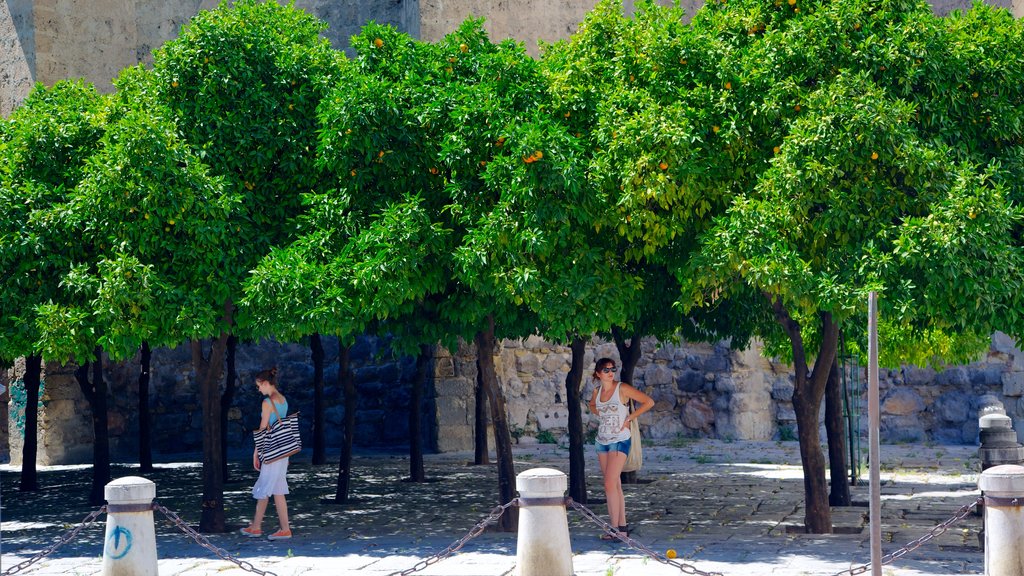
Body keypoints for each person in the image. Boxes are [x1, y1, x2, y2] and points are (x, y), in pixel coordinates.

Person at [587, 357, 654, 541]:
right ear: (598, 374)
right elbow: (592, 405)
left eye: (612, 369)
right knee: (614, 484)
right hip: (602, 440)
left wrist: (629, 418)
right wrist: (600, 412)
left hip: (620, 440)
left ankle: (614, 528)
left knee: (609, 484)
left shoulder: (622, 388)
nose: (610, 372)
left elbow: (648, 402)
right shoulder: (597, 391)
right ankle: (622, 528)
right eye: (606, 370)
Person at [240, 367, 293, 540]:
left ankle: (256, 527)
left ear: (264, 383)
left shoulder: (267, 402)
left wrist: (256, 452)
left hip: (271, 450)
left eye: (258, 386)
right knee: (277, 489)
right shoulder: (283, 400)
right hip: (282, 451)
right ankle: (283, 529)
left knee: (265, 486)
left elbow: (263, 429)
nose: (258, 389)